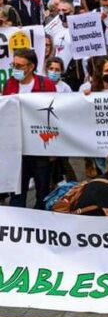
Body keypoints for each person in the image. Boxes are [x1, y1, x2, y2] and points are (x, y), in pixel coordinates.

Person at [3, 48, 56, 209]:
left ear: (31, 67)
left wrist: (54, 149)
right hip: (16, 149)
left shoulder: (45, 84)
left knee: (42, 191)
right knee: (17, 192)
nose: (15, 69)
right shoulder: (10, 84)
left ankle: (39, 225)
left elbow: (55, 116)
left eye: (20, 65)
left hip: (41, 147)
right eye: (14, 64)